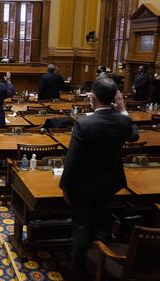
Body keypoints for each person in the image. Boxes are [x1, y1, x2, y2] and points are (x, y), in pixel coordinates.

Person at [59, 77, 138, 281]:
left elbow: (72, 161)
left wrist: (65, 187)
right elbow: (134, 135)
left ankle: (79, 273)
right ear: (115, 98)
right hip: (109, 184)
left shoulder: (84, 124)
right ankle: (99, 269)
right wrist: (123, 110)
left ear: (92, 97)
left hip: (82, 186)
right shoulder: (123, 121)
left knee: (81, 228)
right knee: (102, 226)